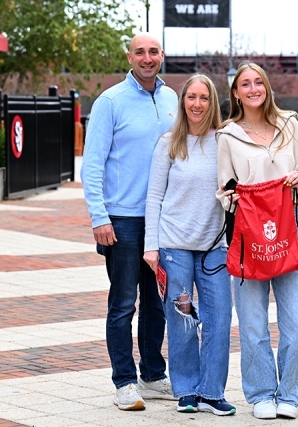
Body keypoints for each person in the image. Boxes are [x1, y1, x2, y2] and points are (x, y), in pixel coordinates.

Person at [81, 32, 178, 410]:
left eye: (153, 51)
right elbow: (92, 164)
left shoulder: (172, 99)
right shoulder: (110, 101)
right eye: (140, 52)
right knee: (123, 304)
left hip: (162, 220)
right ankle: (124, 382)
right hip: (120, 220)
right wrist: (99, 217)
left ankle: (152, 374)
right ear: (129, 56)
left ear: (162, 55)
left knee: (157, 304)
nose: (147, 58)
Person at [216, 61, 298, 420]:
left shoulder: (290, 123)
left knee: (297, 324)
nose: (253, 88)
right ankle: (260, 393)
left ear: (267, 87)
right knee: (253, 322)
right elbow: (223, 189)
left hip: (289, 226)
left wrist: (296, 180)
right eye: (246, 84)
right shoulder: (227, 136)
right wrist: (237, 198)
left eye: (259, 82)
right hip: (248, 233)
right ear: (236, 92)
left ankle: (289, 393)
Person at [143, 74, 236, 416]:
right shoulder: (169, 142)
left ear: (213, 103)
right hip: (173, 246)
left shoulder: (225, 141)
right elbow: (153, 197)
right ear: (183, 102)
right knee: (181, 319)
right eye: (191, 97)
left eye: (204, 98)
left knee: (219, 318)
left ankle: (212, 391)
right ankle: (186, 390)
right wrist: (150, 246)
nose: (197, 104)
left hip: (215, 247)